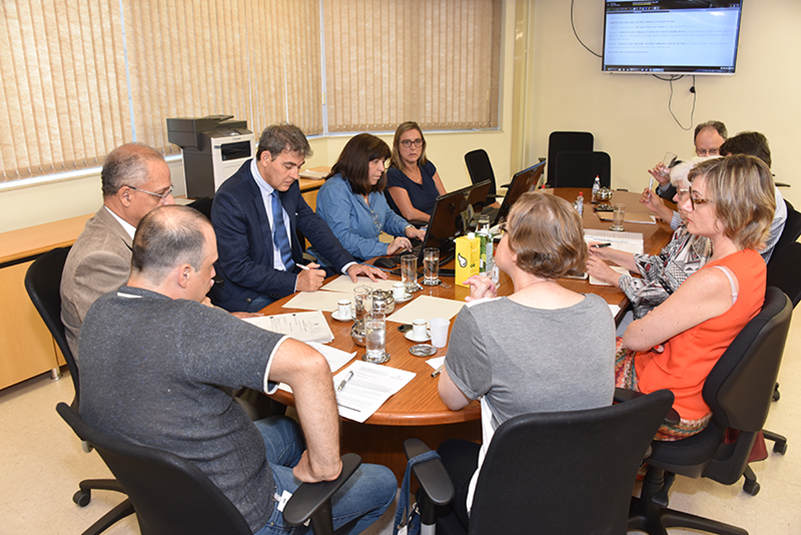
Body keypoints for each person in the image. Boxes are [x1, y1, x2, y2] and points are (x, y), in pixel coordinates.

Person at [78, 205, 397, 535]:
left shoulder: (101, 310)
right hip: (244, 511)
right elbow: (310, 366)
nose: (215, 276)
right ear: (184, 275)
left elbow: (172, 341)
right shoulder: (189, 324)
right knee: (383, 482)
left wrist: (206, 309)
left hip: (166, 480)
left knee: (289, 431)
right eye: (210, 267)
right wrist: (324, 467)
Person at [435, 192, 616, 528]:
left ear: (515, 248)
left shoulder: (481, 320)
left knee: (442, 452)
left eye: (504, 232)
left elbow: (451, 398)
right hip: (587, 489)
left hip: (508, 503)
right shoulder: (599, 310)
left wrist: (476, 311)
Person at [617, 155, 775, 441]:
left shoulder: (713, 279)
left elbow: (633, 339)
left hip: (667, 403)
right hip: (693, 388)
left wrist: (655, 330)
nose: (685, 206)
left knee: (574, 362)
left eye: (698, 200)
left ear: (731, 210)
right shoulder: (753, 262)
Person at [211, 124, 385, 313]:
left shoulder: (286, 183)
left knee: (353, 299)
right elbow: (237, 268)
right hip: (250, 291)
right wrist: (295, 282)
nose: (295, 175)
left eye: (299, 167)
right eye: (289, 166)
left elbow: (313, 225)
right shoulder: (231, 198)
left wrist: (348, 264)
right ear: (266, 157)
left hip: (290, 276)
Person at [61, 142, 174, 358]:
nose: (169, 202)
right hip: (125, 372)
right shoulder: (98, 258)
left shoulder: (142, 229)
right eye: (160, 194)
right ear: (126, 196)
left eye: (169, 191)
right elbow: (131, 338)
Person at [587, 164, 712, 321]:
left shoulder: (702, 242)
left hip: (658, 321)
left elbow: (662, 293)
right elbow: (660, 264)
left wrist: (611, 276)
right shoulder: (686, 229)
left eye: (680, 193)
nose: (674, 198)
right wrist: (610, 254)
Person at [642, 130, 785, 262]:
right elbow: (698, 224)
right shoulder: (751, 191)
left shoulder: (753, 201)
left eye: (726, 167)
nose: (718, 169)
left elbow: (706, 237)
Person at [313, 133, 426, 263]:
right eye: (375, 162)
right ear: (358, 162)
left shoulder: (371, 183)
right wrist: (386, 248)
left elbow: (387, 216)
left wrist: (408, 229)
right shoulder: (334, 190)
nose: (382, 168)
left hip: (369, 258)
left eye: (383, 162)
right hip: (338, 265)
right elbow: (342, 239)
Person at [649, 120, 728, 200]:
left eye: (713, 150)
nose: (707, 156)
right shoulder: (684, 172)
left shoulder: (733, 176)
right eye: (702, 151)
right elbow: (673, 202)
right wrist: (665, 183)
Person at [385, 121, 447, 223]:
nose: (413, 147)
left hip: (438, 225)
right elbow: (409, 214)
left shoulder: (426, 166)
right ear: (396, 145)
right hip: (415, 232)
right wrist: (436, 220)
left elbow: (444, 200)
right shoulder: (393, 174)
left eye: (417, 142)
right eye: (407, 142)